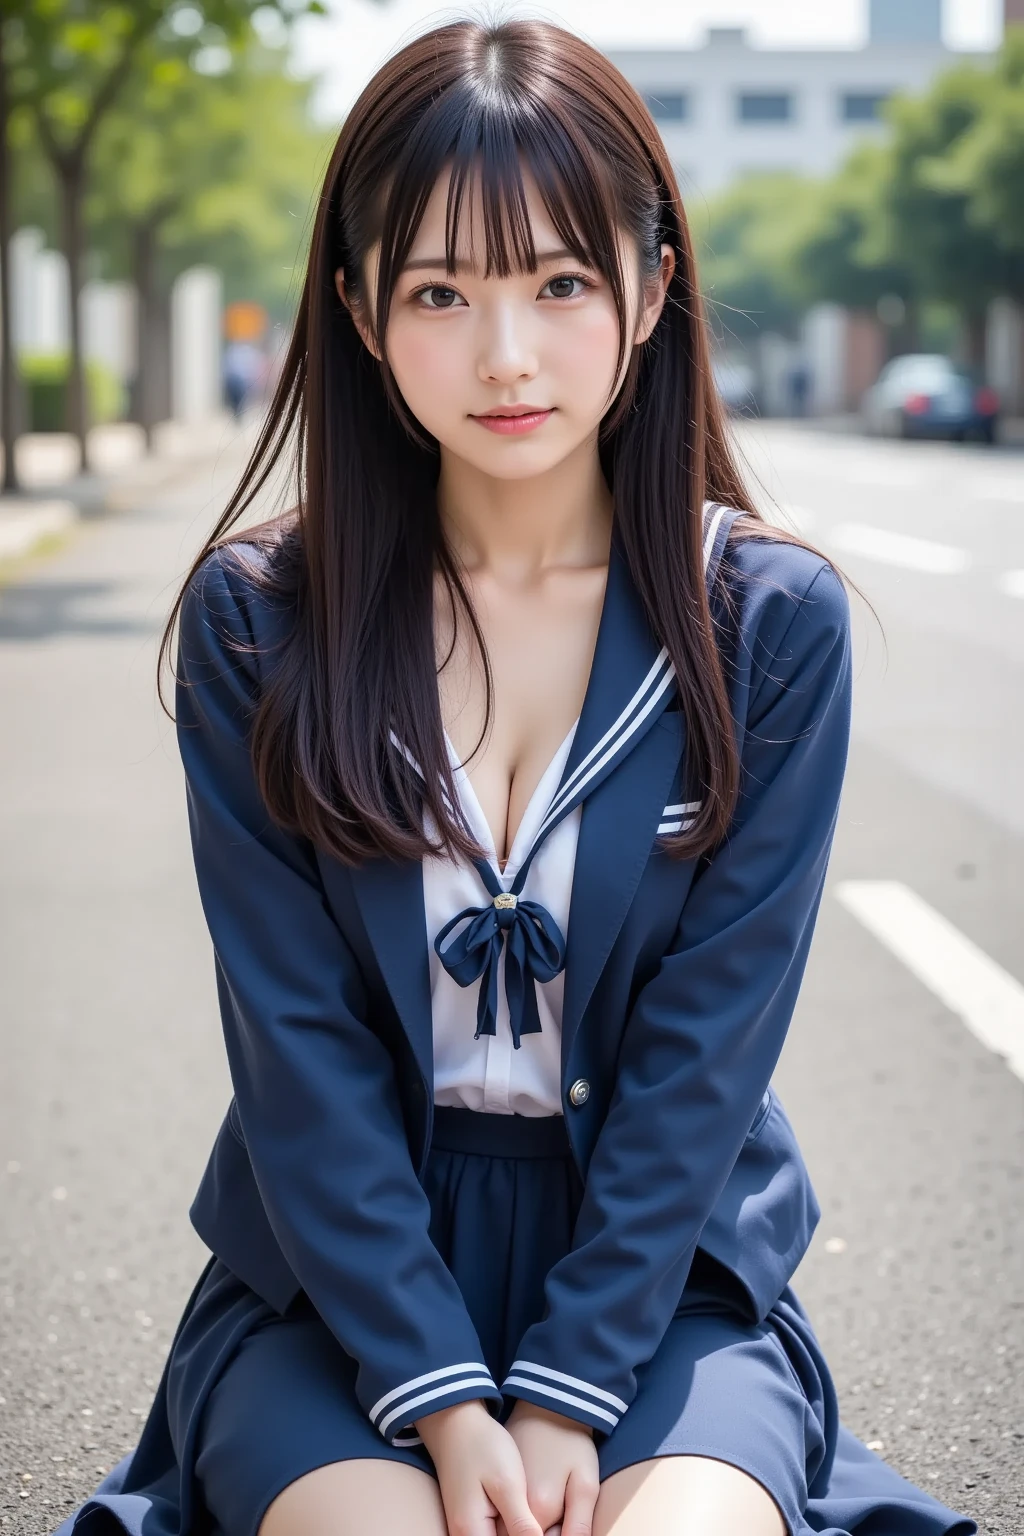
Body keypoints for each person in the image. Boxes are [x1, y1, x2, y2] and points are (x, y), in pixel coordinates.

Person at [55, 20, 974, 1536]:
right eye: (439, 290)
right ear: (357, 308)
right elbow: (296, 1046)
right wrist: (434, 1386)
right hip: (339, 1284)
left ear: (653, 286)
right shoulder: (263, 619)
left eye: (558, 282)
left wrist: (566, 1389)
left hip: (659, 1279)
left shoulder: (765, 624)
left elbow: (706, 1056)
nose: (507, 355)